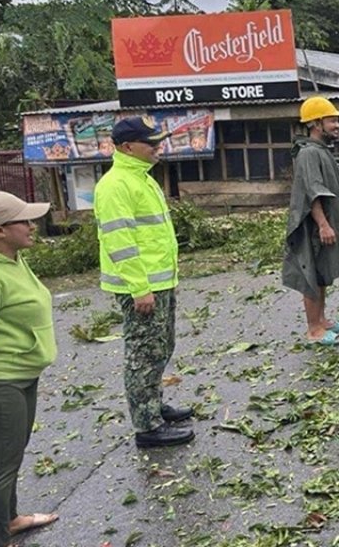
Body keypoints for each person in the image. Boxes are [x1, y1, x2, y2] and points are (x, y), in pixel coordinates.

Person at [93, 116, 194, 448]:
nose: (158, 147)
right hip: (140, 287)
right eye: (151, 143)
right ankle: (147, 426)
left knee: (161, 347)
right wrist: (140, 289)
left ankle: (154, 405)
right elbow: (119, 242)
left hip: (158, 282)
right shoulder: (115, 185)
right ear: (127, 147)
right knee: (143, 354)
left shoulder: (142, 178)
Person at [0, 192, 60, 547]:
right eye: (25, 221)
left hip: (22, 375)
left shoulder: (13, 259)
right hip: (0, 381)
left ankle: (9, 520)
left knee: (10, 455)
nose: (33, 226)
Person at [283, 97, 339, 347]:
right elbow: (312, 191)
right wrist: (323, 225)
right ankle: (314, 330)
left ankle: (322, 320)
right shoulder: (308, 153)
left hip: (324, 225)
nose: (337, 125)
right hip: (315, 227)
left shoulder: (320, 150)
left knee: (322, 271)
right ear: (316, 124)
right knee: (312, 274)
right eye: (332, 121)